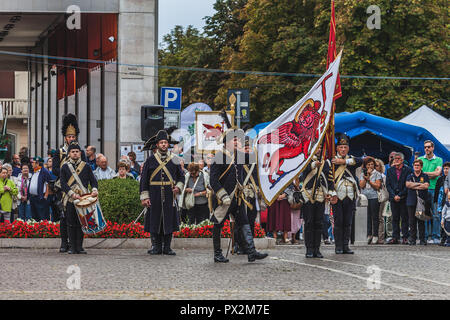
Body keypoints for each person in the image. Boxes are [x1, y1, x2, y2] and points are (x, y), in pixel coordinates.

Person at [210, 128, 268, 263]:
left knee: (245, 223)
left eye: (238, 140)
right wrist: (222, 195)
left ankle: (251, 252)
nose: (237, 142)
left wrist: (260, 143)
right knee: (218, 224)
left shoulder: (240, 155)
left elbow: (255, 156)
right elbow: (213, 180)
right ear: (226, 143)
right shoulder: (218, 157)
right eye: (234, 140)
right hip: (223, 198)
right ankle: (217, 254)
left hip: (238, 198)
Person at [140, 129, 185, 256]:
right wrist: (145, 197)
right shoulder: (150, 160)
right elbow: (144, 180)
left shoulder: (175, 159)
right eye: (161, 143)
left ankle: (167, 247)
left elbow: (181, 177)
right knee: (154, 220)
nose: (164, 144)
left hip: (170, 195)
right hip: (153, 194)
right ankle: (156, 246)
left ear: (168, 144)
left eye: (165, 142)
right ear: (157, 145)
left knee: (169, 220)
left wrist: (178, 187)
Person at [52, 113, 87, 253]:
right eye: (69, 136)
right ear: (65, 138)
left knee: (79, 217)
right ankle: (64, 242)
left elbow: (85, 167)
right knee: (64, 216)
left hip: (78, 189)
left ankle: (77, 244)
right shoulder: (59, 152)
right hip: (63, 187)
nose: (71, 138)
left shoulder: (81, 152)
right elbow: (54, 169)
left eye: (73, 136)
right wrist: (65, 173)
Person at [60, 142, 98, 254]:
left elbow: (93, 180)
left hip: (83, 198)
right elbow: (63, 183)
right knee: (71, 223)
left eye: (77, 152)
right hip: (71, 199)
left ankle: (79, 246)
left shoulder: (86, 166)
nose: (75, 154)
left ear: (80, 153)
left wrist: (94, 189)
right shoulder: (65, 167)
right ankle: (72, 247)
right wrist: (71, 193)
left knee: (82, 223)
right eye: (73, 152)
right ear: (69, 153)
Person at [299, 144, 336, 257]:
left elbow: (330, 180)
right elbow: (303, 172)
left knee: (319, 223)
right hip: (308, 194)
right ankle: (309, 249)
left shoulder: (327, 163)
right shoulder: (305, 160)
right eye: (317, 147)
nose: (319, 149)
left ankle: (317, 248)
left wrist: (330, 193)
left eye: (320, 147)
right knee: (309, 222)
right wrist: (314, 164)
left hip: (321, 195)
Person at [331, 133, 363, 254]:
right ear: (337, 148)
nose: (343, 149)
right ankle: (338, 246)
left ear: (348, 148)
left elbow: (360, 161)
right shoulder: (332, 160)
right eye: (341, 147)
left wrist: (343, 161)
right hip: (337, 194)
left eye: (345, 147)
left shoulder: (351, 159)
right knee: (338, 221)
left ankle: (346, 246)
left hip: (350, 194)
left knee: (348, 222)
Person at [418, 140, 443, 244]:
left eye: (428, 147)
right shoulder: (420, 159)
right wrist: (429, 174)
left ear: (433, 148)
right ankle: (424, 237)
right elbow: (418, 173)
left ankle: (436, 236)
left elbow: (438, 173)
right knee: (423, 213)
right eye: (425, 147)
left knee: (436, 214)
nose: (427, 149)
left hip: (434, 189)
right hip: (423, 189)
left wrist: (424, 174)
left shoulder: (438, 160)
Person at [385, 152, 412, 244]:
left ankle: (405, 237)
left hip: (403, 197)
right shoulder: (390, 170)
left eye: (398, 159)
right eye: (394, 159)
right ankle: (395, 237)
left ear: (402, 160)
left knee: (404, 218)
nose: (395, 160)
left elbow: (407, 184)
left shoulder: (408, 170)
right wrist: (393, 195)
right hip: (393, 197)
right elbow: (388, 185)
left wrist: (400, 195)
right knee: (394, 218)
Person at [405, 159, 430, 245]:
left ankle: (422, 239)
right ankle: (413, 239)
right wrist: (419, 184)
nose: (416, 167)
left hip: (421, 202)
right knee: (412, 221)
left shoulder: (425, 176)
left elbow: (426, 186)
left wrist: (414, 185)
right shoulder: (410, 175)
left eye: (418, 165)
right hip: (411, 201)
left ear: (421, 166)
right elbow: (408, 185)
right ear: (413, 166)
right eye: (415, 165)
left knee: (421, 220)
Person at [359, 157, 382, 244]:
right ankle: (368, 235)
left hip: (374, 197)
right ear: (365, 166)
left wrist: (370, 180)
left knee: (375, 217)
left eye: (372, 164)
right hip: (365, 197)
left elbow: (377, 186)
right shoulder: (362, 174)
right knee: (367, 217)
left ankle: (375, 235)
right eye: (368, 164)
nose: (370, 166)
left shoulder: (377, 174)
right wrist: (366, 177)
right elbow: (361, 185)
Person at [29, 157, 52, 221]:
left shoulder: (44, 171)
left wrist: (45, 196)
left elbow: (48, 184)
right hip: (33, 198)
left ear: (37, 163)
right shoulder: (34, 171)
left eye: (33, 163)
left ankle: (43, 230)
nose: (31, 164)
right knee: (34, 217)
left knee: (42, 217)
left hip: (40, 198)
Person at [436, 162, 450, 245]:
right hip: (443, 202)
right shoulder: (440, 179)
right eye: (444, 168)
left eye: (447, 168)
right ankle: (442, 239)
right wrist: (437, 204)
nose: (446, 170)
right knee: (443, 222)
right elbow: (438, 193)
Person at [375, 159, 388, 243]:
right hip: (371, 197)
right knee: (372, 218)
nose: (374, 167)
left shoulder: (383, 176)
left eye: (377, 165)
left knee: (380, 218)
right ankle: (373, 235)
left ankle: (380, 237)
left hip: (381, 198)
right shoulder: (369, 175)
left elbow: (385, 188)